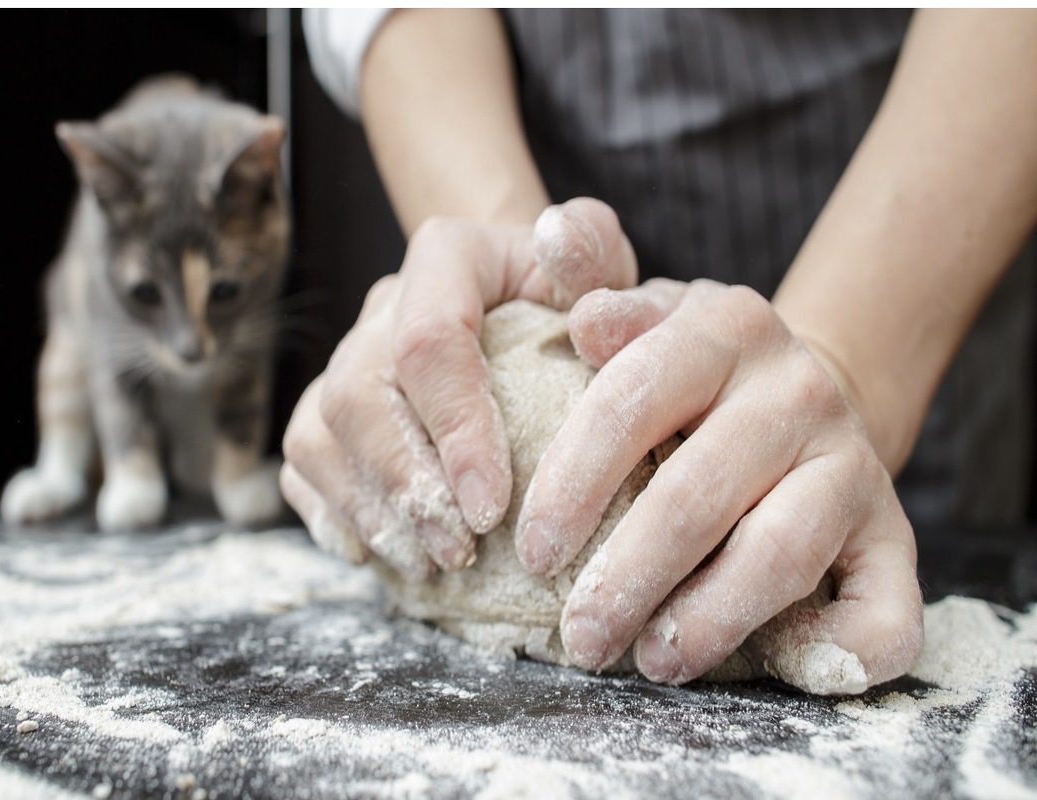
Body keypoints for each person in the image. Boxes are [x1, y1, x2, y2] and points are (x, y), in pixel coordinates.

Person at [283, 9, 1037, 689]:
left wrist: (842, 360)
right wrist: (514, 285)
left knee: (836, 573)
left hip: (907, 241)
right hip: (541, 156)